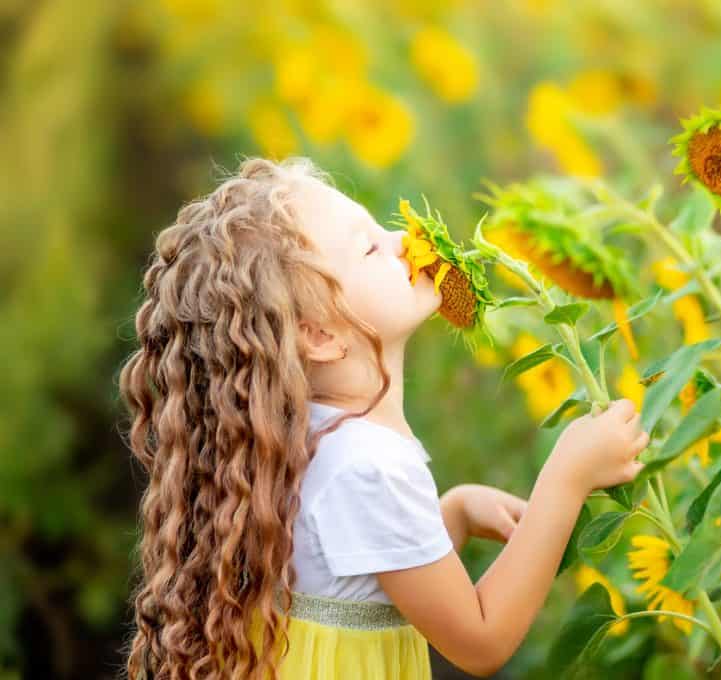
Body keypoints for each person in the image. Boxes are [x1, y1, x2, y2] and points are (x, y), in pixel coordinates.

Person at [118, 157, 648, 679]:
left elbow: (356, 574)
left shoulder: (305, 438)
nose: (400, 240)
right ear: (321, 335)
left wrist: (454, 514)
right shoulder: (368, 465)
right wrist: (569, 475)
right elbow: (482, 641)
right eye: (370, 247)